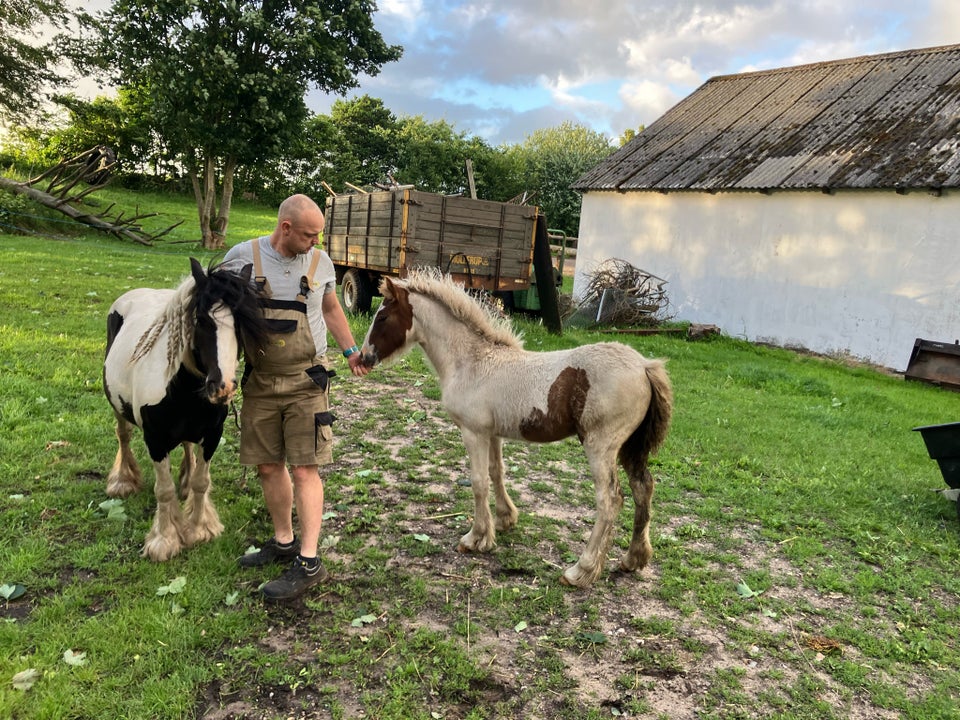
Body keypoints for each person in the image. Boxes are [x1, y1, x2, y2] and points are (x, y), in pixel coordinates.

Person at [223, 194, 369, 601]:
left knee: (305, 468)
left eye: (317, 235)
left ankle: (309, 561)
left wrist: (350, 350)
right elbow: (218, 315)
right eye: (308, 235)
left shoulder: (320, 263)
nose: (314, 242)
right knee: (269, 466)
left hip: (307, 379)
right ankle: (283, 540)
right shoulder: (240, 258)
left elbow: (331, 308)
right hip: (261, 381)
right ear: (285, 228)